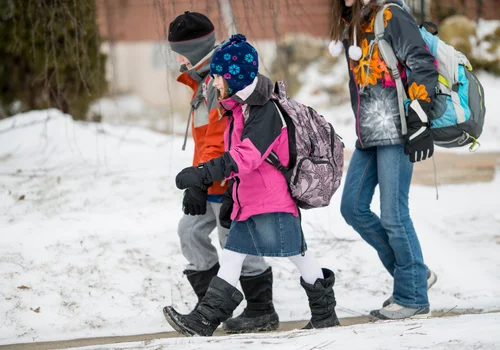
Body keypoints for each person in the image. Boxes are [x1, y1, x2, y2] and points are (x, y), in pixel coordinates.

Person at [163, 34, 341, 337]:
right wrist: (233, 197)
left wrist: (204, 174)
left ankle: (323, 315)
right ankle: (205, 320)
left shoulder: (265, 110)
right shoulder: (240, 109)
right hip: (252, 200)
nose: (215, 83)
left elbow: (246, 157)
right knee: (235, 256)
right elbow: (241, 166)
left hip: (271, 201)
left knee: (298, 254)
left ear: (233, 77)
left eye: (218, 77)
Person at [164, 12, 279, 333]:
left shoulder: (225, 78)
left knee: (238, 243)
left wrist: (214, 181)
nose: (179, 58)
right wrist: (198, 181)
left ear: (195, 48)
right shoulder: (202, 82)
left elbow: (231, 141)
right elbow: (207, 140)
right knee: (190, 231)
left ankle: (260, 310)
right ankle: (211, 305)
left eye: (181, 51)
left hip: (231, 179)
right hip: (209, 176)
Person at [329, 0, 438, 320]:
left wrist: (419, 118)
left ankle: (413, 296)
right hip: (369, 135)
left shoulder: (389, 14)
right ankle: (416, 275)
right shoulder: (353, 23)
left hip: (397, 129)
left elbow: (422, 62)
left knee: (393, 215)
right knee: (353, 208)